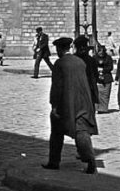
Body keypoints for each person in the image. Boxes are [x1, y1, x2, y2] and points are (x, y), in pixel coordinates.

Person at [42, 37, 98, 174]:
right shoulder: (80, 62)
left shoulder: (60, 64)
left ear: (60, 49)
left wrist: (54, 106)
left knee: (56, 133)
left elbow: (57, 87)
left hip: (66, 103)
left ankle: (54, 161)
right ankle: (90, 161)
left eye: (57, 49)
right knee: (82, 131)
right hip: (83, 102)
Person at [73, 35, 99, 107]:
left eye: (84, 46)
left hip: (87, 91)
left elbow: (95, 76)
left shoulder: (91, 60)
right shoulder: (73, 60)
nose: (82, 49)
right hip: (78, 92)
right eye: (80, 47)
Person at [95, 46, 114, 113]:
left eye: (102, 52)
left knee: (105, 95)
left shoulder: (108, 58)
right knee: (98, 95)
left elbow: (110, 67)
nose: (100, 53)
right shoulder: (94, 58)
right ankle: (98, 108)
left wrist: (103, 70)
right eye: (99, 52)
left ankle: (104, 108)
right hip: (97, 79)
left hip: (106, 78)